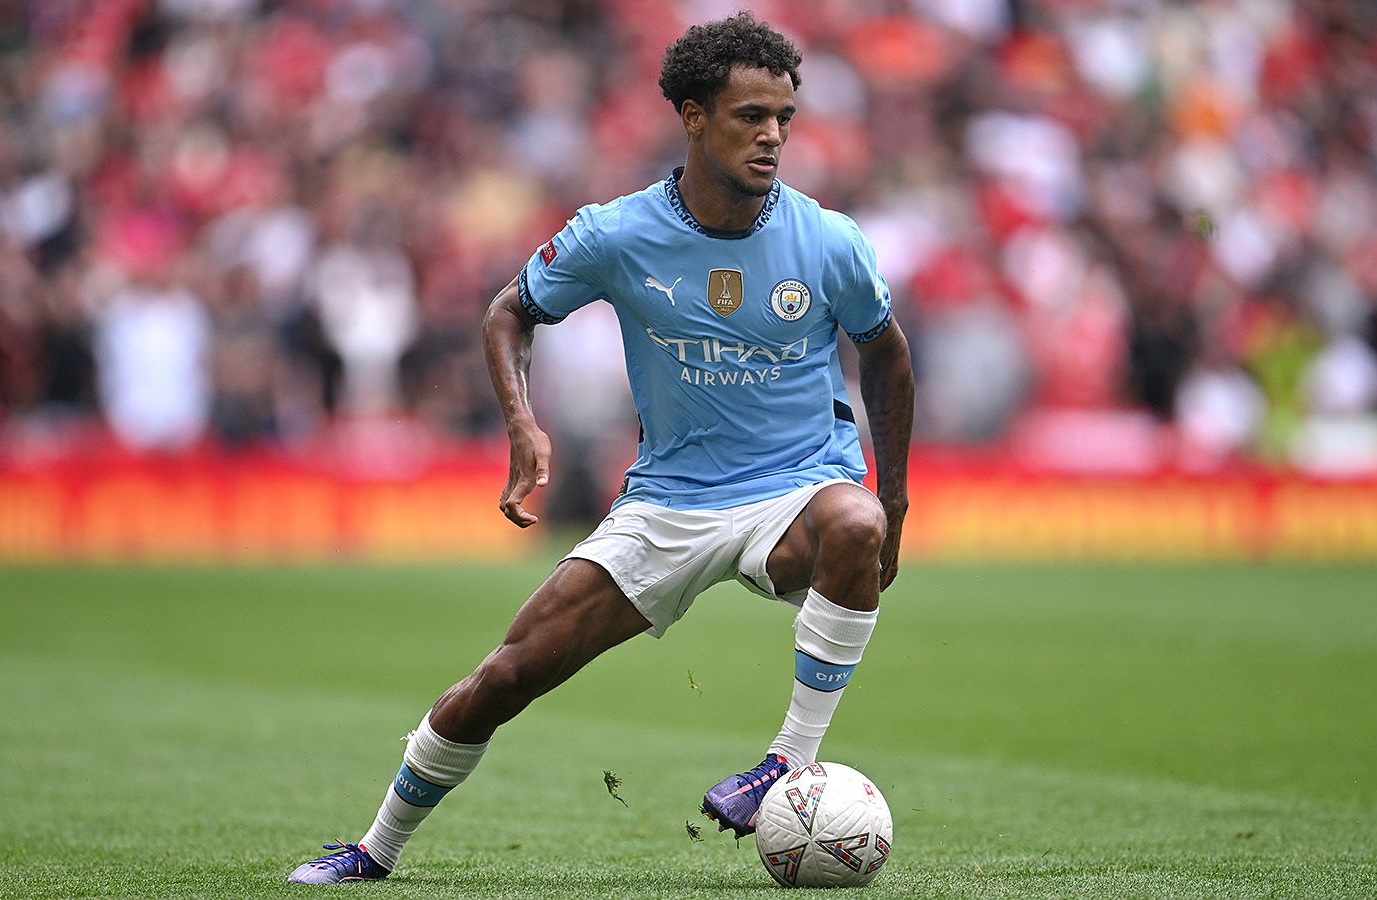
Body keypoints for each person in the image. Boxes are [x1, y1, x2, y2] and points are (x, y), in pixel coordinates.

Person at [287, 12, 913, 884]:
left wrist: (896, 500)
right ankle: (373, 848)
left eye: (784, 118)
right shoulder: (616, 234)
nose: (772, 135)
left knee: (856, 521)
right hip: (671, 502)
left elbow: (886, 353)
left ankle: (785, 764)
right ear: (693, 117)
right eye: (750, 117)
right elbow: (508, 313)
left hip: (796, 489)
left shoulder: (828, 240)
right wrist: (522, 423)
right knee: (507, 676)